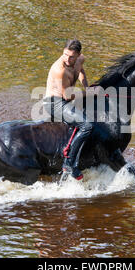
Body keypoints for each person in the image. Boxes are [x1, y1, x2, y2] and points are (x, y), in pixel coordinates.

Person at [43, 39, 94, 180]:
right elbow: (67, 96)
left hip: (66, 98)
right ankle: (69, 163)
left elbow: (81, 70)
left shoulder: (80, 59)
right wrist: (90, 93)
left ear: (78, 55)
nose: (67, 59)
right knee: (87, 125)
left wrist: (87, 87)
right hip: (55, 102)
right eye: (65, 54)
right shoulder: (60, 70)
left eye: (71, 56)